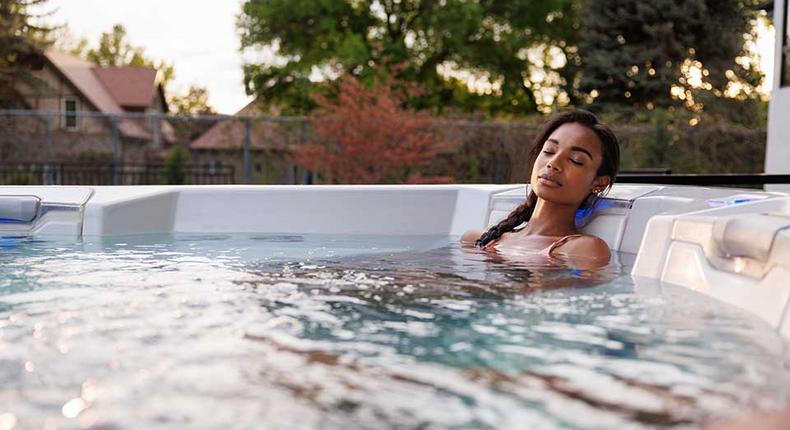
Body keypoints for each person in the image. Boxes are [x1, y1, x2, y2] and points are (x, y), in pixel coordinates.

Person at [461, 109, 620, 267]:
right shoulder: (477, 239)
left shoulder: (582, 249)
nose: (553, 163)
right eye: (549, 151)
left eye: (575, 160)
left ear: (599, 183)